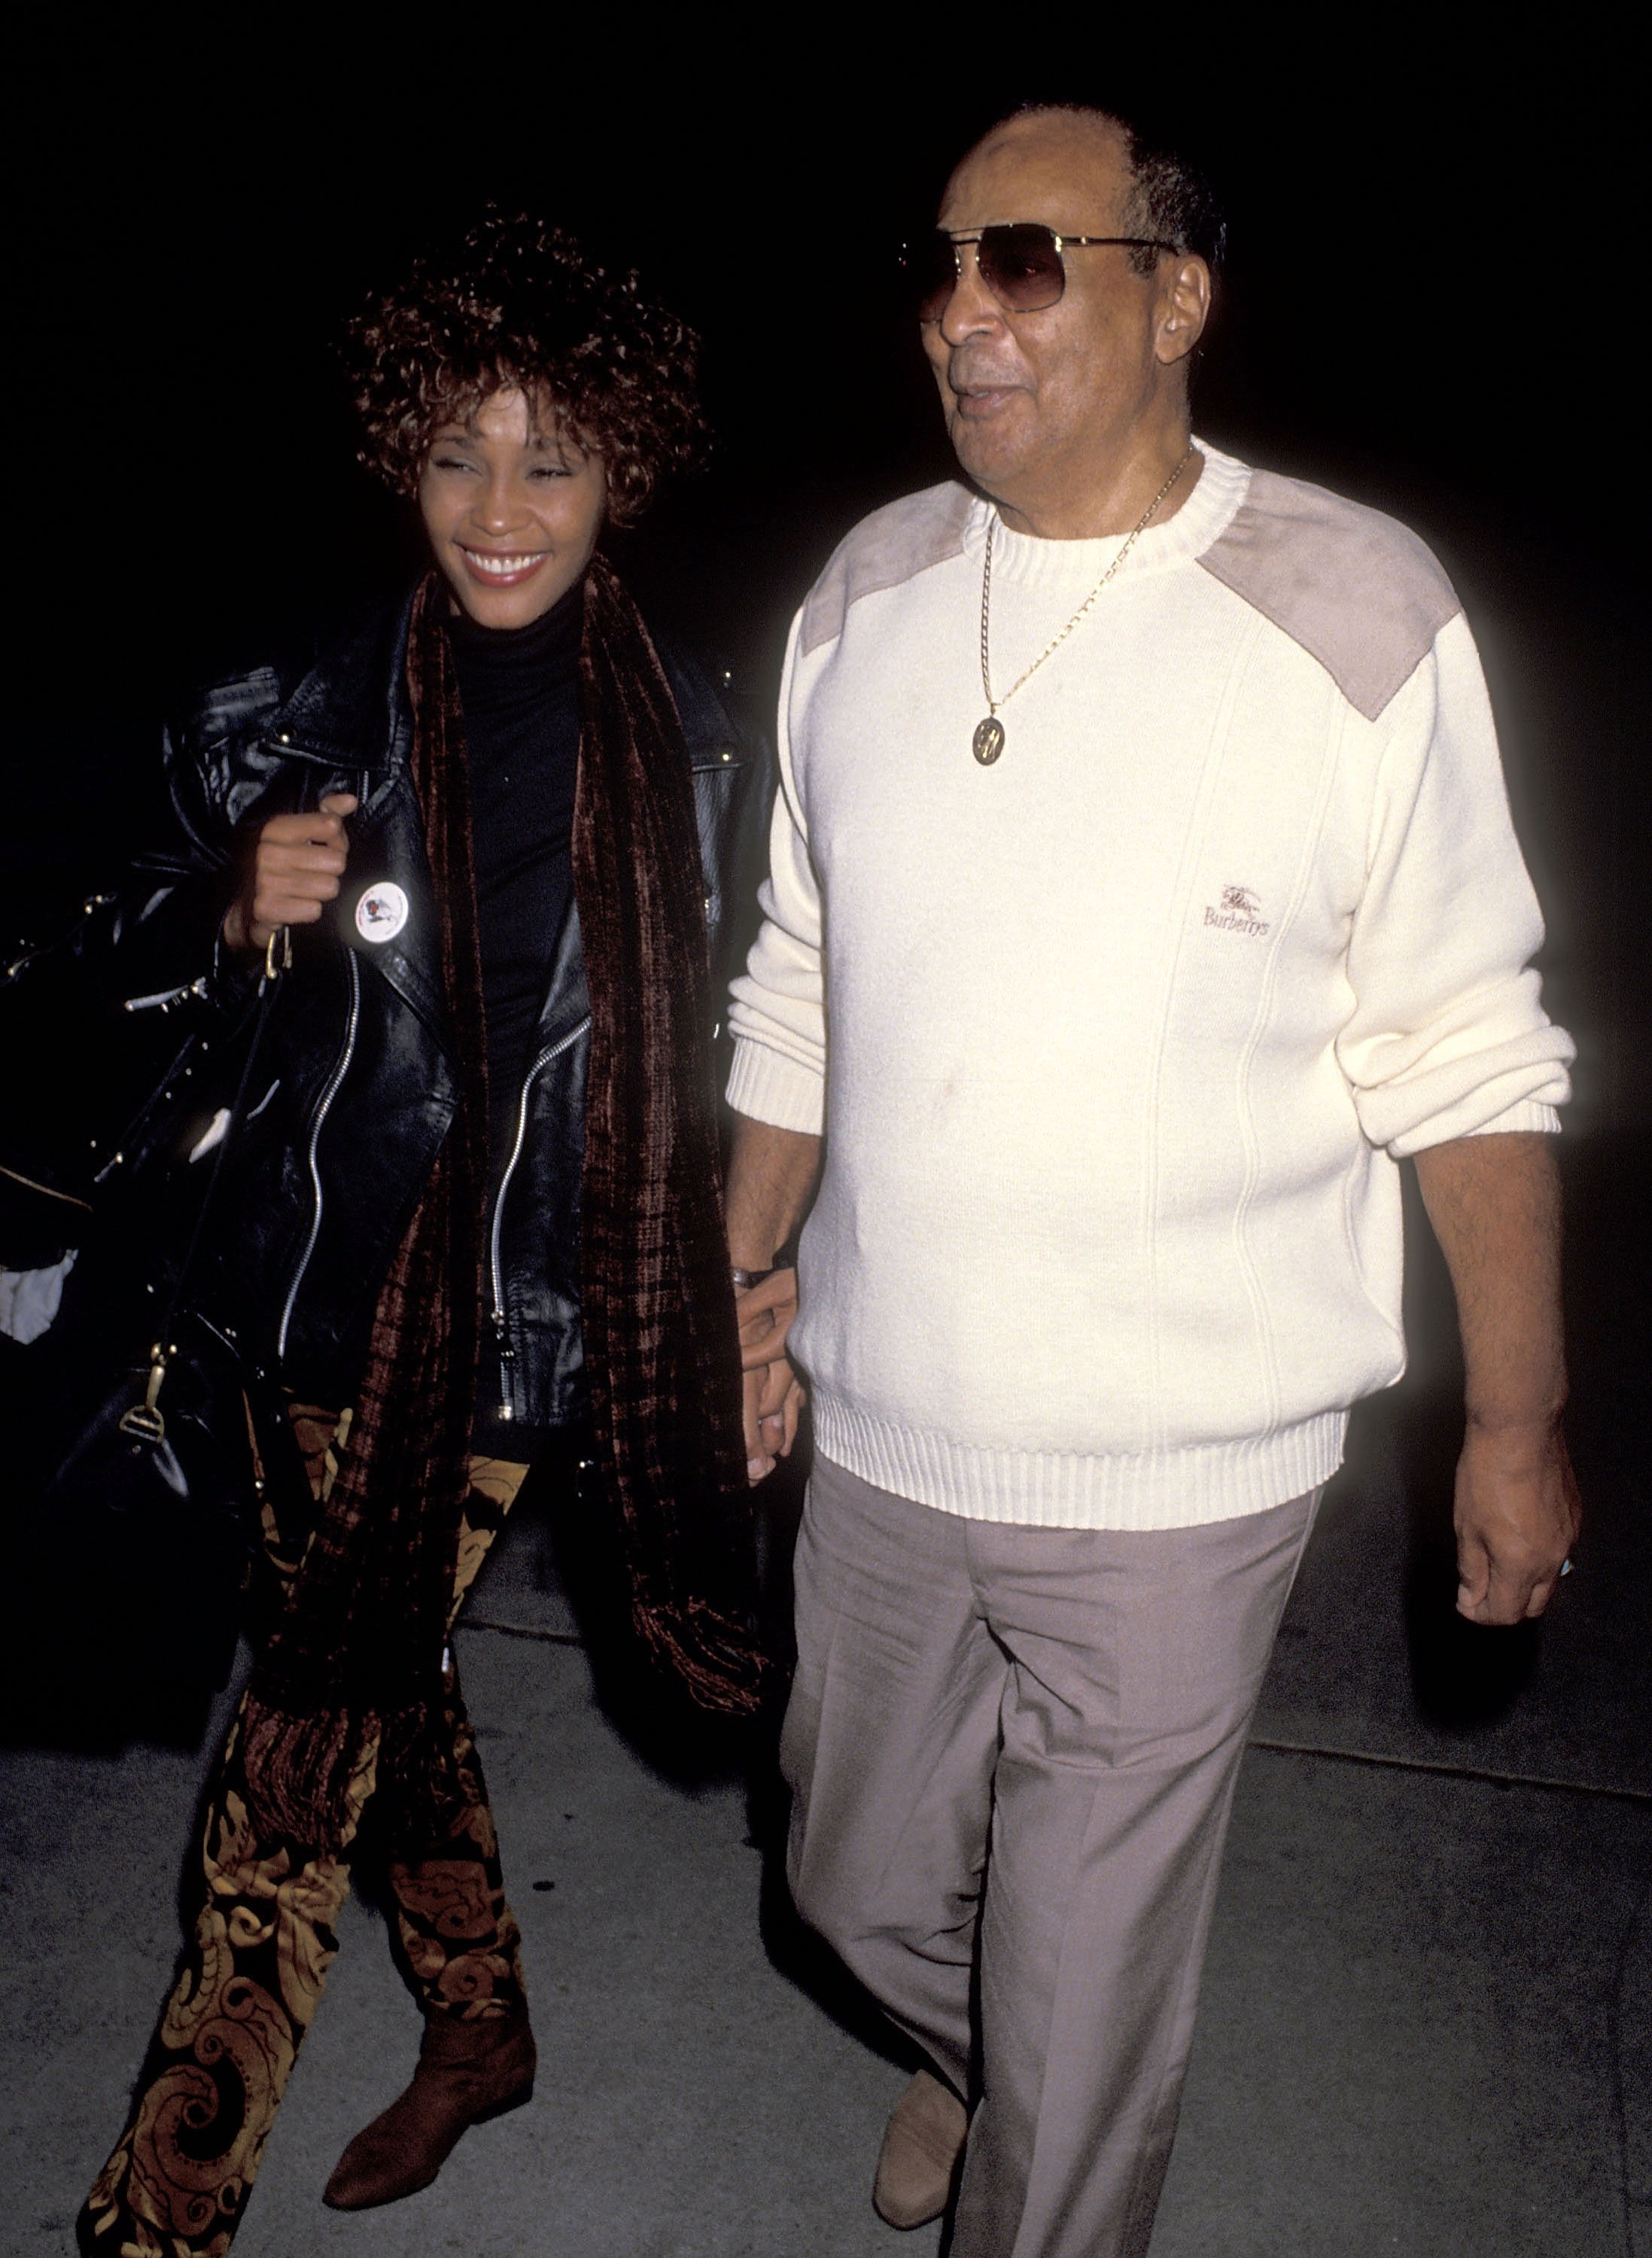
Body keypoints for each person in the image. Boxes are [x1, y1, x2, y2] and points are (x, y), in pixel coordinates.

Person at [725, 105, 1581, 2258]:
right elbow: (799, 985)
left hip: (1184, 1478)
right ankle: (985, 2052)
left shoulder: (1348, 602)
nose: (959, 315)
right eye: (935, 264)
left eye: (1023, 261)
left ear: (1174, 295)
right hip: (887, 1425)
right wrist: (728, 1287)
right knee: (837, 1877)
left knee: (1086, 2034)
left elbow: (1463, 1040)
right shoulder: (864, 596)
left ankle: (1045, 2124)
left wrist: (1514, 1415)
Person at [36, 215, 770, 2254]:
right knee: (375, 1678)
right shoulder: (283, 715)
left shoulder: (718, 762)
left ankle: (159, 2212)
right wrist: (216, 909)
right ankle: (480, 2022)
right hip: (293, 1304)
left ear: (625, 469)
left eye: (553, 460)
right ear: (400, 456)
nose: (503, 510)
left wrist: (767, 1285)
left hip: (538, 1320)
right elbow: (73, 969)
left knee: (295, 1764)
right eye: (461, 453)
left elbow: (792, 1046)